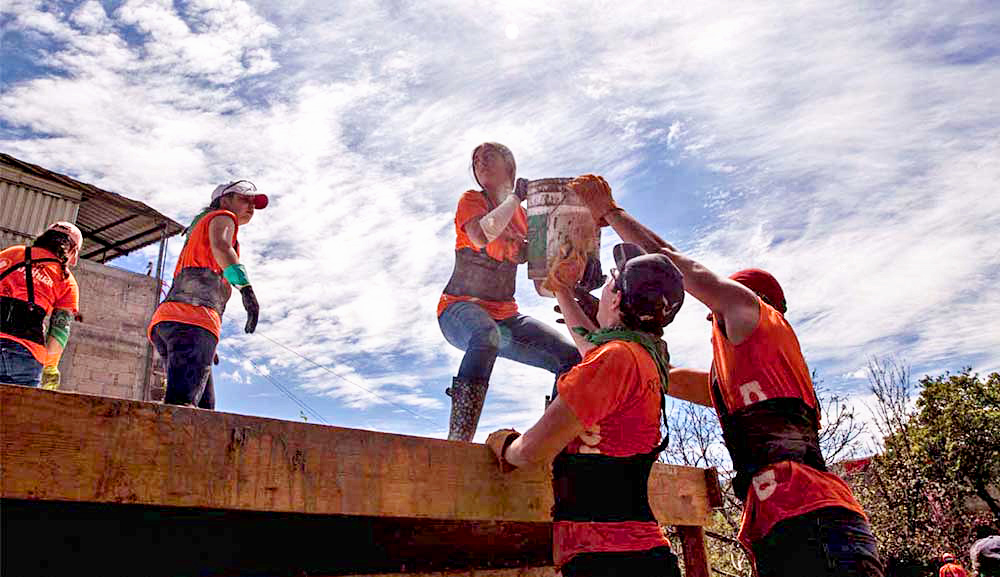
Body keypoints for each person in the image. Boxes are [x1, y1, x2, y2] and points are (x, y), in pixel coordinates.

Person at [566, 174, 884, 577]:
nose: (708, 317)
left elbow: (675, 264)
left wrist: (610, 212)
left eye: (714, 307)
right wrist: (607, 322)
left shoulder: (757, 316)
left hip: (814, 521)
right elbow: (644, 371)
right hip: (787, 525)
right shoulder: (737, 382)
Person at [486, 242, 685, 577]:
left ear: (617, 299)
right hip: (639, 555)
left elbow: (531, 451)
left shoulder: (615, 360)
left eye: (610, 283)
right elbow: (593, 349)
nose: (603, 289)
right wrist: (561, 290)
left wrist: (504, 446)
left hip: (608, 560)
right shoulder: (645, 359)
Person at [438, 142, 581, 441]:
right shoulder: (472, 200)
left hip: (506, 318)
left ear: (510, 166)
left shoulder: (528, 219)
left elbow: (543, 284)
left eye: (488, 156)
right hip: (458, 309)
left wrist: (575, 276)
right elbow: (480, 236)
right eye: (476, 159)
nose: (480, 161)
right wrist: (516, 197)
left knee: (570, 358)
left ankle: (550, 443)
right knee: (485, 335)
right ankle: (458, 440)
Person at [148, 180, 265, 409]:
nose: (251, 206)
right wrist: (246, 289)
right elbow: (222, 246)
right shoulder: (223, 216)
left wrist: (206, 345)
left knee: (204, 410)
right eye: (244, 199)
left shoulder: (200, 230)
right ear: (224, 200)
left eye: (254, 202)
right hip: (192, 321)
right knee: (181, 409)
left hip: (175, 322)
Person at [1, 221, 83, 389]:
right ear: (73, 251)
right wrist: (50, 366)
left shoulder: (12, 253)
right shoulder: (66, 280)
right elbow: (59, 331)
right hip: (25, 357)